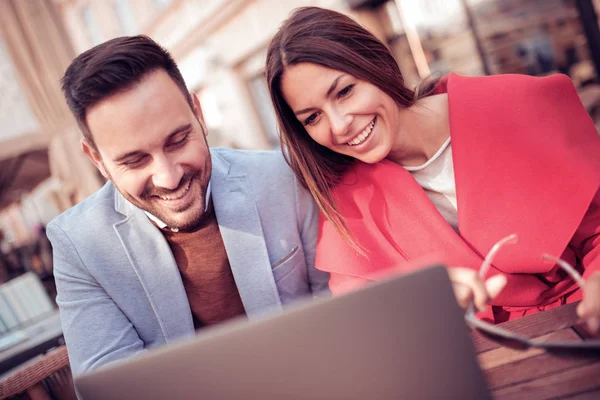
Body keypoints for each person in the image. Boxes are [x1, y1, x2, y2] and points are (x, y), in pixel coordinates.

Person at [265, 7, 600, 331]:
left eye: (345, 92)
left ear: (377, 64)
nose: (338, 126)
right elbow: (361, 306)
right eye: (312, 117)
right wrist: (421, 299)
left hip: (582, 320)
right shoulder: (346, 198)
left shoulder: (514, 106)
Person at [49, 35, 329, 375]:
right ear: (97, 159)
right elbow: (110, 381)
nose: (167, 177)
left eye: (178, 141)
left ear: (199, 114)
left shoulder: (282, 176)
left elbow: (335, 304)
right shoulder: (79, 243)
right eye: (135, 161)